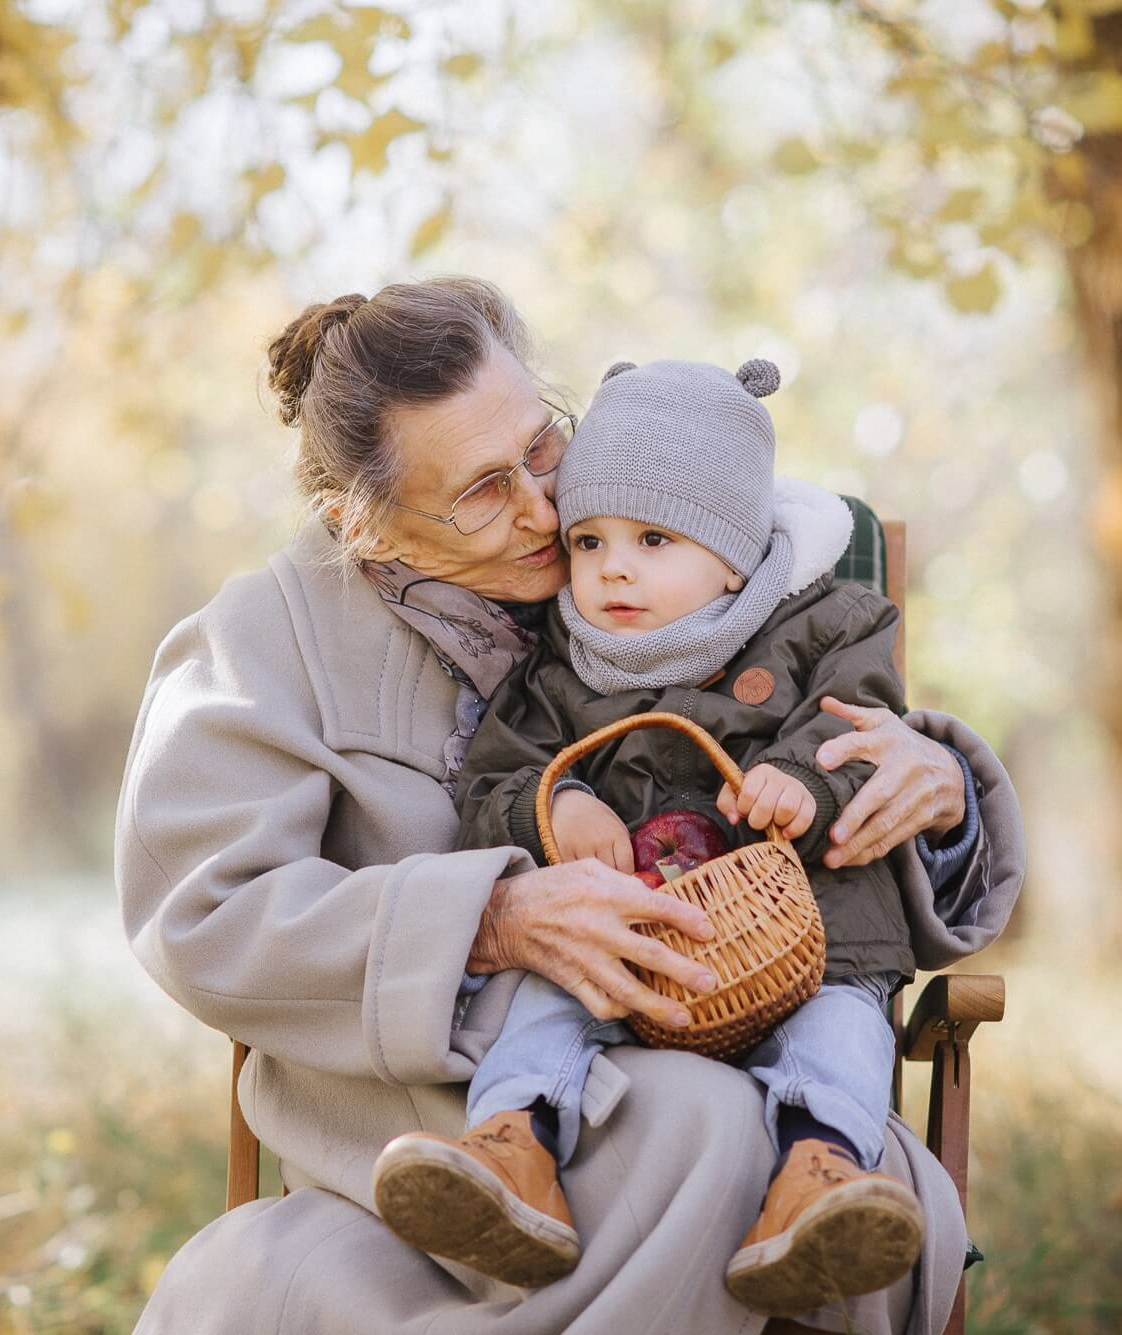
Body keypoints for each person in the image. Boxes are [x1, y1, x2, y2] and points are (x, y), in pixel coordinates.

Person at [115, 277, 1023, 1333]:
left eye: (542, 447)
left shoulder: (641, 546)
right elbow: (202, 912)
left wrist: (936, 783)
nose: (547, 513)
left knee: (740, 1133)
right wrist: (491, 921)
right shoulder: (259, 640)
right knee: (697, 1132)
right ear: (355, 525)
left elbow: (811, 692)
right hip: (438, 1112)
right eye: (482, 491)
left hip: (747, 1043)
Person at [372, 357, 967, 1316]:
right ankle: (512, 1151)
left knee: (845, 1029)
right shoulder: (560, 666)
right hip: (629, 948)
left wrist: (808, 775)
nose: (613, 567)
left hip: (809, 940)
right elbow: (489, 780)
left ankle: (817, 1180)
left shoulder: (827, 627)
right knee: (547, 997)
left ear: (733, 552)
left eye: (653, 538)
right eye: (591, 539)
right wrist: (549, 808)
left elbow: (873, 728)